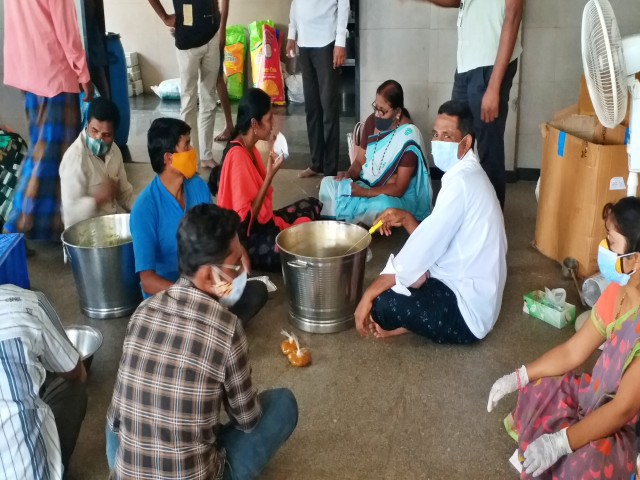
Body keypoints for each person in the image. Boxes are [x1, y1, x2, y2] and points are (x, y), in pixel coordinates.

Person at [106, 204, 298, 479]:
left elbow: (116, 420)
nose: (242, 271)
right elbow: (247, 420)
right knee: (282, 403)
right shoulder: (227, 328)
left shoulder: (142, 312)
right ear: (208, 275)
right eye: (235, 264)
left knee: (118, 419)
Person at [487, 198, 640, 479]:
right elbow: (572, 352)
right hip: (595, 395)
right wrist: (519, 376)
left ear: (635, 258)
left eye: (612, 242)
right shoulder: (616, 295)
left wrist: (561, 442)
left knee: (587, 463)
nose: (603, 250)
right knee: (540, 389)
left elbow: (621, 409)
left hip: (624, 425)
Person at [354, 101, 506, 343]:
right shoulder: (467, 174)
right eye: (436, 134)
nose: (438, 142)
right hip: (465, 284)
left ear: (466, 143)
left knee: (381, 305)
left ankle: (408, 324)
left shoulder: (461, 183)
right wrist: (405, 218)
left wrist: (369, 294)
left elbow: (425, 248)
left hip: (468, 314)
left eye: (447, 136)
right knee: (405, 276)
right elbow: (436, 239)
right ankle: (409, 321)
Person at [131, 118, 267, 321]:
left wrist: (240, 254)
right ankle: (213, 320)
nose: (193, 150)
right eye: (186, 145)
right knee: (217, 313)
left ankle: (213, 318)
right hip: (171, 298)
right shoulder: (144, 209)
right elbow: (148, 281)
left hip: (204, 285)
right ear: (169, 158)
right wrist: (194, 298)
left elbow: (218, 229)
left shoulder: (196, 185)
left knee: (256, 292)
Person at [415, 0, 523, 209]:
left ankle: (490, 223)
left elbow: (514, 14)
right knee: (456, 140)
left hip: (489, 66)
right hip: (466, 65)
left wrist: (494, 86)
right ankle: (459, 210)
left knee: (488, 148)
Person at [3, 0, 93, 240]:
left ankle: (51, 225)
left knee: (47, 151)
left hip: (27, 71)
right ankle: (14, 228)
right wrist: (82, 71)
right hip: (54, 73)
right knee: (49, 154)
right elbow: (66, 27)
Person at [216, 88, 322, 271]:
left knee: (312, 204)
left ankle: (291, 232)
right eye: (269, 119)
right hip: (247, 238)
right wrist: (269, 176)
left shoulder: (250, 148)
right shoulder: (237, 156)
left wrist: (268, 172)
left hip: (264, 224)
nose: (273, 124)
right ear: (254, 124)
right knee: (295, 251)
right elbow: (245, 222)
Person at [0, 284, 87, 479]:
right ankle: (55, 465)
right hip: (30, 472)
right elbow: (73, 370)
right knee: (74, 380)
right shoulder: (28, 302)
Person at [319, 80, 432, 226]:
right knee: (327, 183)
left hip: (390, 195)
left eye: (382, 111)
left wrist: (363, 192)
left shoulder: (409, 136)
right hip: (364, 185)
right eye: (375, 107)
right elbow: (359, 161)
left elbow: (399, 187)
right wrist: (349, 174)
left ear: (397, 112)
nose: (377, 114)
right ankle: (355, 220)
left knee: (383, 206)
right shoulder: (372, 121)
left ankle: (348, 217)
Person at [148, 0, 228, 169]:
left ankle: (206, 155)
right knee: (188, 100)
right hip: (187, 41)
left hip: (211, 35)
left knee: (209, 98)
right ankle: (189, 158)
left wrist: (222, 26)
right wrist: (164, 17)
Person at [286, 0, 349, 178]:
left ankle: (329, 171)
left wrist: (340, 42)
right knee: (312, 108)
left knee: (328, 109)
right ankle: (316, 163)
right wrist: (292, 34)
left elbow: (344, 4)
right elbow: (295, 3)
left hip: (327, 41)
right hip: (304, 42)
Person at [59, 98, 133, 229]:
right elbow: (69, 216)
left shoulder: (115, 151)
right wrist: (99, 198)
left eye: (106, 134)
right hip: (85, 234)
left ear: (115, 134)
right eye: (94, 131)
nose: (99, 138)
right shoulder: (75, 158)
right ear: (87, 126)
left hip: (112, 225)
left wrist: (141, 211)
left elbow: (125, 194)